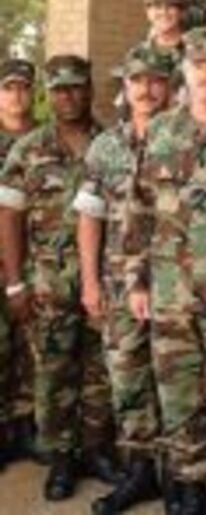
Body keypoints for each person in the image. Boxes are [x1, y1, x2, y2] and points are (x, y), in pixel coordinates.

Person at [122, 29, 206, 515]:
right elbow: (138, 211)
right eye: (197, 63)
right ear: (183, 69)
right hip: (169, 291)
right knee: (178, 393)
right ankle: (189, 489)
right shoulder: (160, 131)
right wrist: (136, 278)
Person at [0, 55, 116, 501]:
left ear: (90, 90)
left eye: (77, 87)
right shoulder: (28, 147)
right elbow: (9, 216)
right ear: (49, 96)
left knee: (98, 369)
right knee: (52, 372)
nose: (69, 96)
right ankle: (61, 458)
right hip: (47, 281)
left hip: (101, 280)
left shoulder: (110, 143)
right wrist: (14, 282)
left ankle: (95, 449)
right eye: (60, 89)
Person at [75, 45, 175, 514]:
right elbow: (90, 217)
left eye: (156, 79)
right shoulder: (105, 145)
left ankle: (180, 477)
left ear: (170, 86)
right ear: (125, 87)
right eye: (138, 80)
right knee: (128, 377)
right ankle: (140, 471)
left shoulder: (184, 140)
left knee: (177, 380)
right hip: (117, 284)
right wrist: (91, 282)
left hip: (176, 283)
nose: (147, 89)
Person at [0, 58, 38, 467]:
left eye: (24, 88)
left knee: (30, 349)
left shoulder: (44, 138)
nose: (17, 95)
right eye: (8, 87)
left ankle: (26, 428)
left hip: (34, 259)